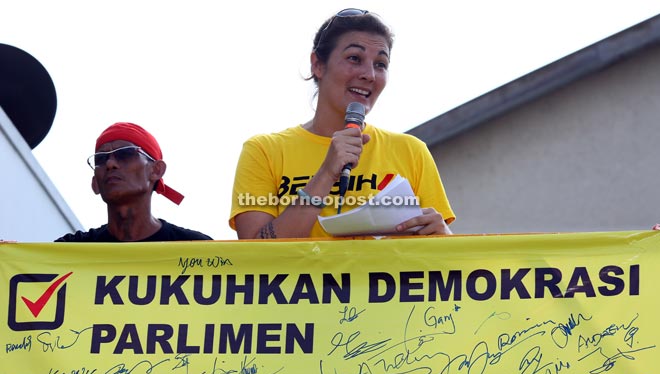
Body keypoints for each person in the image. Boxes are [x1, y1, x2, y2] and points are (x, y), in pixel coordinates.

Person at [229, 9, 455, 239]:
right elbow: (256, 256)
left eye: (380, 64)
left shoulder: (411, 151)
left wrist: (444, 236)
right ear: (317, 64)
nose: (369, 75)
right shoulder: (264, 151)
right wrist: (327, 173)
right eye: (354, 58)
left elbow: (443, 263)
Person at [56, 122, 213, 242]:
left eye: (125, 154)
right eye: (101, 159)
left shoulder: (197, 250)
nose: (110, 164)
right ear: (95, 183)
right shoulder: (67, 252)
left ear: (156, 170)